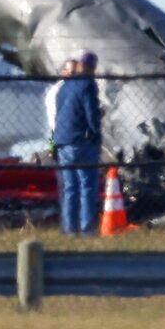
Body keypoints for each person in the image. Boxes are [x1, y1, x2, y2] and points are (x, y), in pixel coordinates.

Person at [48, 50, 103, 234]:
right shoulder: (87, 84)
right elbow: (92, 115)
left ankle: (69, 229)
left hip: (62, 141)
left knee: (70, 188)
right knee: (87, 186)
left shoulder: (65, 86)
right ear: (92, 68)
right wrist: (96, 136)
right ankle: (87, 229)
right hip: (81, 141)